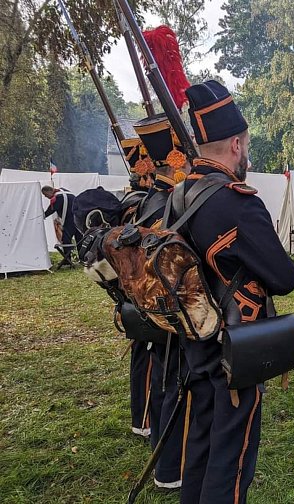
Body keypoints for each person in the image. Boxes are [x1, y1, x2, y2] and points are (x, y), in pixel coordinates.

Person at [170, 80, 294, 503]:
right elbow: (284, 277)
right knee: (232, 457)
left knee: (202, 445)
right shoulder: (237, 201)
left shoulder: (179, 194)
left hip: (196, 342)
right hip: (234, 349)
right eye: (246, 143)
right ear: (237, 144)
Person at [132, 114, 191, 489]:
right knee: (176, 385)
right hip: (171, 306)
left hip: (152, 306)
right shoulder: (172, 202)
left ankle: (162, 456)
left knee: (163, 380)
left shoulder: (152, 200)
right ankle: (172, 468)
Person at [42, 185, 82, 268]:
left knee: (66, 240)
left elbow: (52, 209)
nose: (46, 197)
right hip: (78, 219)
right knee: (79, 239)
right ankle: (83, 259)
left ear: (49, 191)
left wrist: (43, 215)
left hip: (69, 221)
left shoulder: (58, 197)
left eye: (46, 195)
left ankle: (68, 260)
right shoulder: (64, 190)